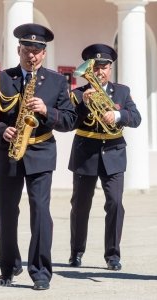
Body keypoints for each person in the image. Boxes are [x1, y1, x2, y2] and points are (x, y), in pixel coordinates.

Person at [0, 23, 77, 290]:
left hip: (41, 152)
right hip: (8, 154)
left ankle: (41, 272)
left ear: (44, 53)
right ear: (18, 49)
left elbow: (69, 120)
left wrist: (47, 110)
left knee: (41, 212)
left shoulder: (57, 81)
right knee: (6, 214)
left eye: (36, 51)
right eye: (26, 50)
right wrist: (2, 130)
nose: (31, 55)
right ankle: (9, 268)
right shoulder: (0, 78)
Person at [68, 43, 141, 271]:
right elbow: (69, 122)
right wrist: (84, 105)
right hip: (86, 152)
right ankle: (77, 252)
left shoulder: (122, 91)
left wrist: (118, 114)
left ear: (110, 68)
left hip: (114, 153)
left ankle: (112, 255)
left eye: (104, 67)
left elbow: (136, 118)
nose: (100, 72)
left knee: (116, 204)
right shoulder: (78, 94)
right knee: (80, 206)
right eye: (96, 67)